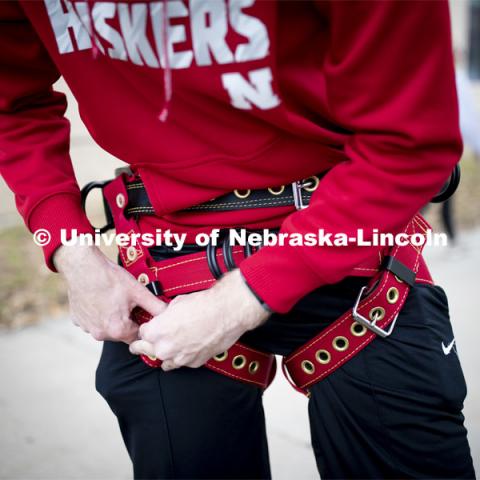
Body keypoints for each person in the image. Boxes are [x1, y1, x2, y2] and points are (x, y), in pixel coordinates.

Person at [0, 1, 475, 479]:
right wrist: (71, 250)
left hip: (346, 239)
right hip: (162, 260)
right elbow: (11, 101)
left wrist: (236, 303)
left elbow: (411, 142)